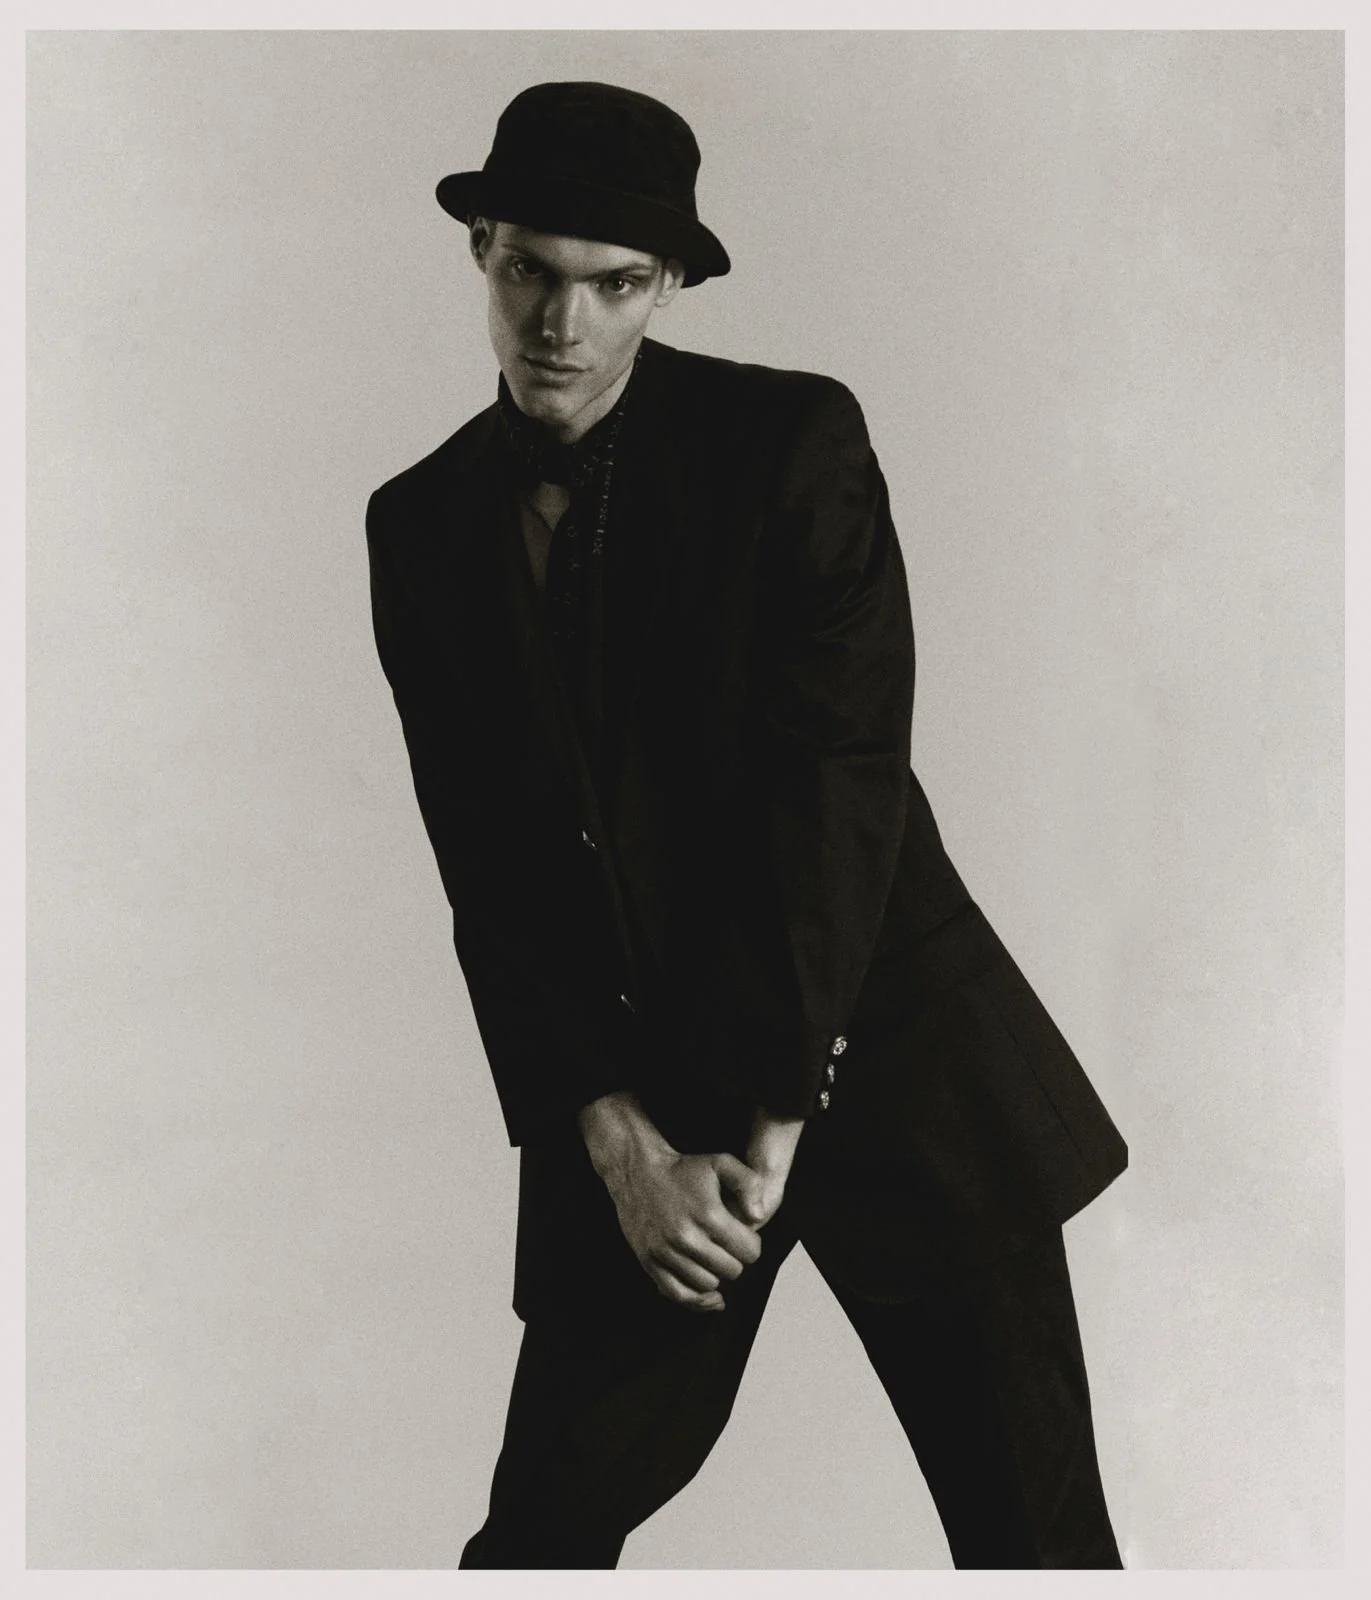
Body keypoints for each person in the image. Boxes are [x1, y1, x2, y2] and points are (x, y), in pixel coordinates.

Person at [365, 80, 1128, 1570]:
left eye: (612, 285)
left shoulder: (789, 444)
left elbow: (839, 783)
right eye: (529, 269)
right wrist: (613, 1140)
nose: (561, 327)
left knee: (1035, 1543)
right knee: (540, 1539)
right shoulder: (421, 523)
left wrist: (769, 1119)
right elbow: (493, 871)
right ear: (479, 254)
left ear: (669, 288)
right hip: (639, 1116)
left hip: (891, 1065)